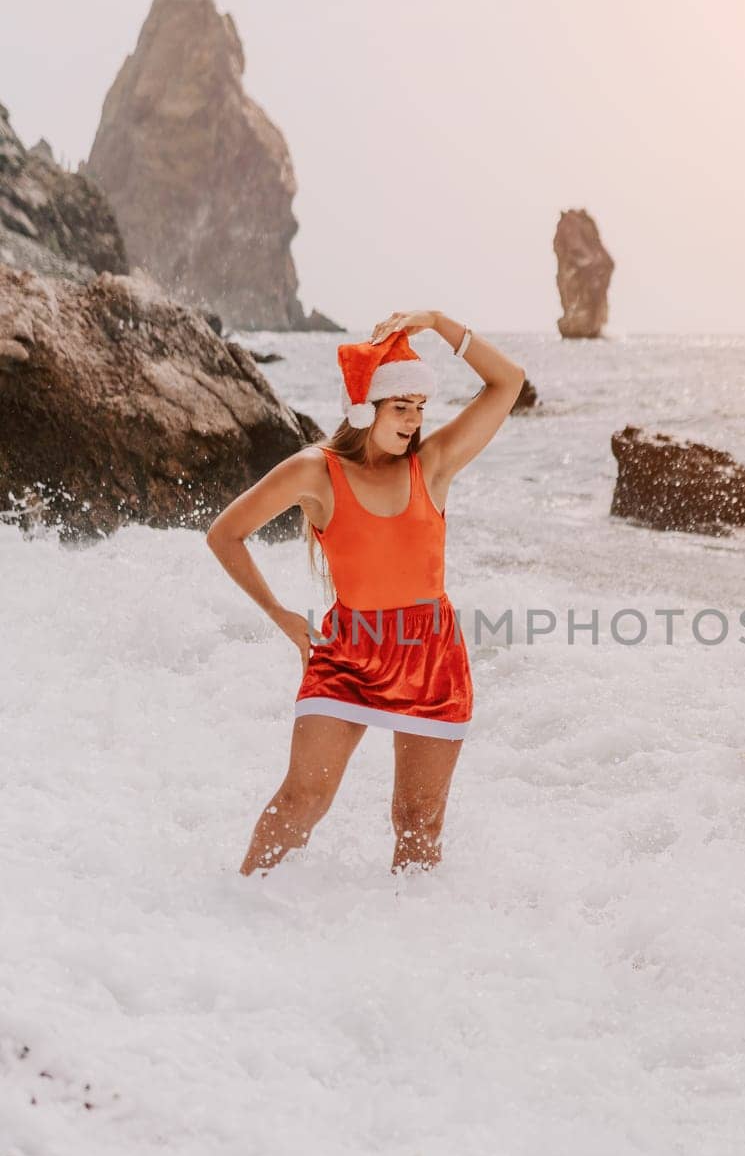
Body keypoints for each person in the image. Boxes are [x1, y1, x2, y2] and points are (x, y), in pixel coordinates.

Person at [205, 309, 526, 877]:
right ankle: (240, 912)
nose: (413, 421)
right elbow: (225, 534)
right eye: (401, 408)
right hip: (349, 653)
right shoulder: (316, 472)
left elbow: (508, 382)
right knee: (303, 800)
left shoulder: (434, 466)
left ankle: (410, 944)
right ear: (364, 409)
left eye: (420, 408)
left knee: (418, 821)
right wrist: (280, 615)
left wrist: (437, 322)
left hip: (431, 656)